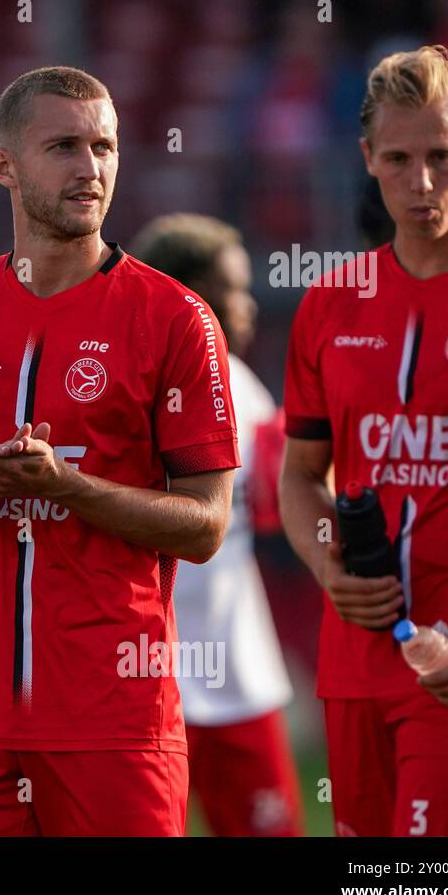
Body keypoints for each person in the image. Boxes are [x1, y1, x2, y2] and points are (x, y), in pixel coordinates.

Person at [0, 66, 240, 836]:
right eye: (65, 146)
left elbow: (207, 525)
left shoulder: (176, 318)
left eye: (104, 146)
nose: (91, 168)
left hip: (117, 724)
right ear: (3, 166)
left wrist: (71, 487)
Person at [281, 45, 448, 836]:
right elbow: (299, 477)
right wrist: (328, 567)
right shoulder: (329, 304)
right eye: (398, 159)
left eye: (441, 158)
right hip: (354, 670)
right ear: (367, 159)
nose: (421, 184)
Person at [131, 214, 304, 836]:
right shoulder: (140, 386)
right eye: (236, 289)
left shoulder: (248, 388)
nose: (250, 305)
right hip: (153, 672)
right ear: (195, 295)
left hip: (226, 665)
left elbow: (280, 506)